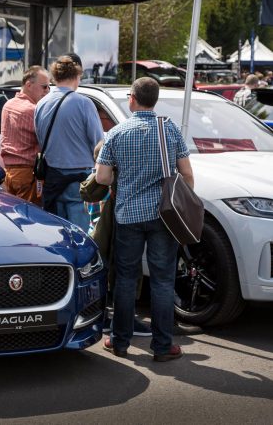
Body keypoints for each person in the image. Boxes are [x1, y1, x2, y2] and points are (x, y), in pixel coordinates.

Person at [95, 77, 194, 362]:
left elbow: (102, 177)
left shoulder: (117, 132)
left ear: (132, 99)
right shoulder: (170, 129)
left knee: (125, 279)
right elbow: (187, 174)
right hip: (164, 215)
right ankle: (163, 346)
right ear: (155, 99)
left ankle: (119, 341)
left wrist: (123, 180)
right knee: (163, 281)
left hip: (127, 214)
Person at [80, 140, 151, 337]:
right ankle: (119, 319)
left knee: (103, 277)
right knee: (120, 273)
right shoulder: (107, 185)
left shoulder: (92, 181)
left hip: (95, 232)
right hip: (104, 234)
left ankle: (102, 316)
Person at [34, 53, 104, 232]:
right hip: (79, 179)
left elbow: (41, 139)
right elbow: (98, 144)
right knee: (79, 236)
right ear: (77, 76)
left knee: (58, 234)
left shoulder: (41, 103)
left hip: (52, 178)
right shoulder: (83, 103)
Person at [0, 65, 50, 205]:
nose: (47, 91)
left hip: (9, 173)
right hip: (27, 174)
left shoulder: (8, 105)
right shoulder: (33, 110)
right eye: (44, 87)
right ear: (29, 84)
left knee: (13, 217)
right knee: (29, 218)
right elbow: (48, 140)